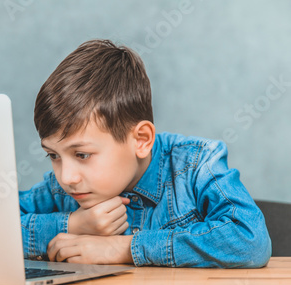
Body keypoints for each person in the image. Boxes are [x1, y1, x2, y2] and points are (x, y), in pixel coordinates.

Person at [19, 39, 271, 268]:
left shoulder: (196, 164)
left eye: (82, 155)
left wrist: (126, 248)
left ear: (141, 140)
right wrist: (72, 225)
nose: (67, 177)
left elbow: (251, 239)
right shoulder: (60, 188)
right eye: (53, 155)